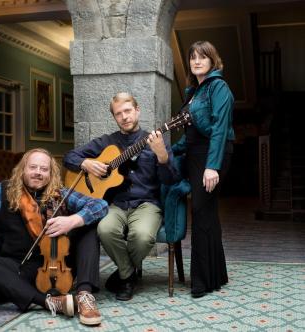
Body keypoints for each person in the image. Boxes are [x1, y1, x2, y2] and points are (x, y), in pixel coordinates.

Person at [0, 148, 108, 326]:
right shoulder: (1, 192)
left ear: (51, 173)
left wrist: (72, 220)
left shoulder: (59, 193)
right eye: (33, 167)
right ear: (22, 169)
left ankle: (85, 294)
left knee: (89, 225)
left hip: (59, 265)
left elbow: (100, 205)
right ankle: (48, 302)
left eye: (44, 169)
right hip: (19, 267)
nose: (38, 173)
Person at [63, 92, 178, 301]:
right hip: (115, 204)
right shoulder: (107, 142)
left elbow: (170, 180)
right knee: (104, 229)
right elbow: (69, 157)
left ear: (137, 110)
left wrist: (162, 157)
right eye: (119, 114)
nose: (124, 117)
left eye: (128, 111)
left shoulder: (155, 141)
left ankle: (123, 275)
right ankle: (128, 275)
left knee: (142, 237)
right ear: (114, 118)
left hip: (146, 204)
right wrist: (86, 163)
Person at [177, 41, 235, 298]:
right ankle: (215, 275)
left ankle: (201, 282)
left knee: (201, 212)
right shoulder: (192, 92)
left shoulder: (219, 87)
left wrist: (212, 166)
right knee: (207, 212)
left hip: (213, 154)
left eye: (203, 57)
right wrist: (170, 150)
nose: (197, 61)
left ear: (212, 61)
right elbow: (188, 133)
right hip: (194, 155)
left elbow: (220, 129)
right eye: (193, 57)